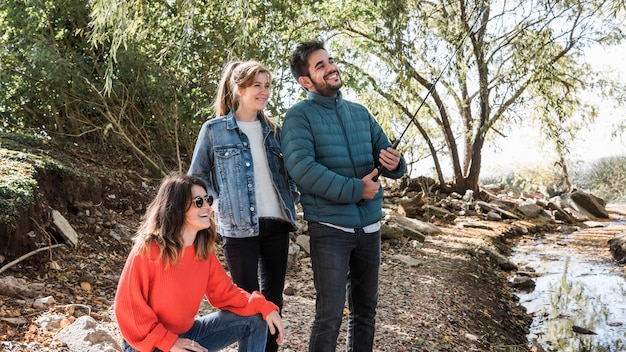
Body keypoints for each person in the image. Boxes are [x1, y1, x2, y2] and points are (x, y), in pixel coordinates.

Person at [281, 39, 407, 352]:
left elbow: (388, 155)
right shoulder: (298, 117)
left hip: (370, 229)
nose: (331, 68)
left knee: (365, 312)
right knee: (330, 315)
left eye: (330, 61)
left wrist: (396, 163)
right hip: (330, 229)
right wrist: (356, 189)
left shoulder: (360, 113)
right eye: (320, 65)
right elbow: (303, 170)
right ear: (306, 81)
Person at [187, 60, 299, 352]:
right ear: (239, 89)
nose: (264, 92)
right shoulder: (214, 130)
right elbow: (196, 178)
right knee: (248, 304)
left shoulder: (275, 131)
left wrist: (294, 196)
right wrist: (217, 202)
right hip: (238, 228)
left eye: (267, 86)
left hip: (277, 224)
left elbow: (291, 174)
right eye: (256, 86)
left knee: (273, 302)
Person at [114, 172, 285, 352]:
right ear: (177, 207)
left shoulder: (202, 252)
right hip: (148, 344)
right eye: (198, 202)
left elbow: (225, 293)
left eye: (207, 200)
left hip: (186, 335)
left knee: (256, 319)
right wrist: (168, 342)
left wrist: (265, 307)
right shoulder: (149, 248)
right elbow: (128, 308)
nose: (208, 208)